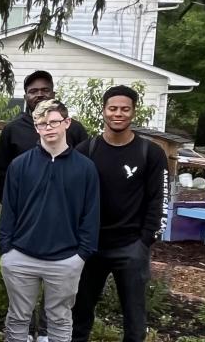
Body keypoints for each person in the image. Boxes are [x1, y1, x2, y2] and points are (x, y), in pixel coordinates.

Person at [70, 86, 166, 342]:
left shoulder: (150, 153)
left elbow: (160, 199)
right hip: (91, 247)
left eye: (125, 109)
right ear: (104, 111)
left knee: (134, 320)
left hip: (131, 247)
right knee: (79, 314)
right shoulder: (85, 151)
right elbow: (71, 198)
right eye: (113, 108)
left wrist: (146, 239)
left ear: (134, 112)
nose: (118, 114)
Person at [0, 100, 100, 342]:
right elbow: (9, 210)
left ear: (67, 123)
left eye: (54, 121)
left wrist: (82, 254)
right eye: (42, 123)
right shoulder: (20, 165)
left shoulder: (85, 168)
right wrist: (7, 249)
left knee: (60, 319)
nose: (48, 127)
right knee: (18, 318)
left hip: (66, 259)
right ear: (36, 127)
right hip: (21, 256)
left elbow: (91, 213)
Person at [0, 71, 90, 202]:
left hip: (67, 204)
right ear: (25, 97)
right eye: (33, 91)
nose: (39, 95)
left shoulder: (74, 128)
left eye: (45, 90)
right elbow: (2, 174)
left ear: (53, 94)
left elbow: (85, 171)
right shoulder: (12, 130)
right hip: (25, 207)